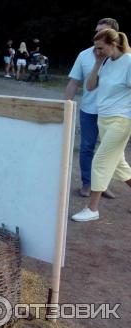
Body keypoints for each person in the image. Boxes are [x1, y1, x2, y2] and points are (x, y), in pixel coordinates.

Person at [71, 28, 131, 222]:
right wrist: (97, 63)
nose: (96, 51)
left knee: (100, 161)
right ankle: (92, 207)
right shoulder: (105, 62)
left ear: (113, 44)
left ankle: (92, 208)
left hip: (121, 120)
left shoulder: (129, 62)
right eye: (95, 48)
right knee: (119, 166)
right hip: (104, 119)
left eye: (100, 48)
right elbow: (89, 87)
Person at [65, 18, 120, 199]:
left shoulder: (123, 57)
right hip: (89, 111)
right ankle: (87, 183)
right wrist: (64, 105)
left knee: (109, 151)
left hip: (113, 113)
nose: (97, 35)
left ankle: (101, 185)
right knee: (87, 147)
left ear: (113, 36)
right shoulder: (84, 55)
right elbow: (74, 82)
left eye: (102, 31)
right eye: (96, 31)